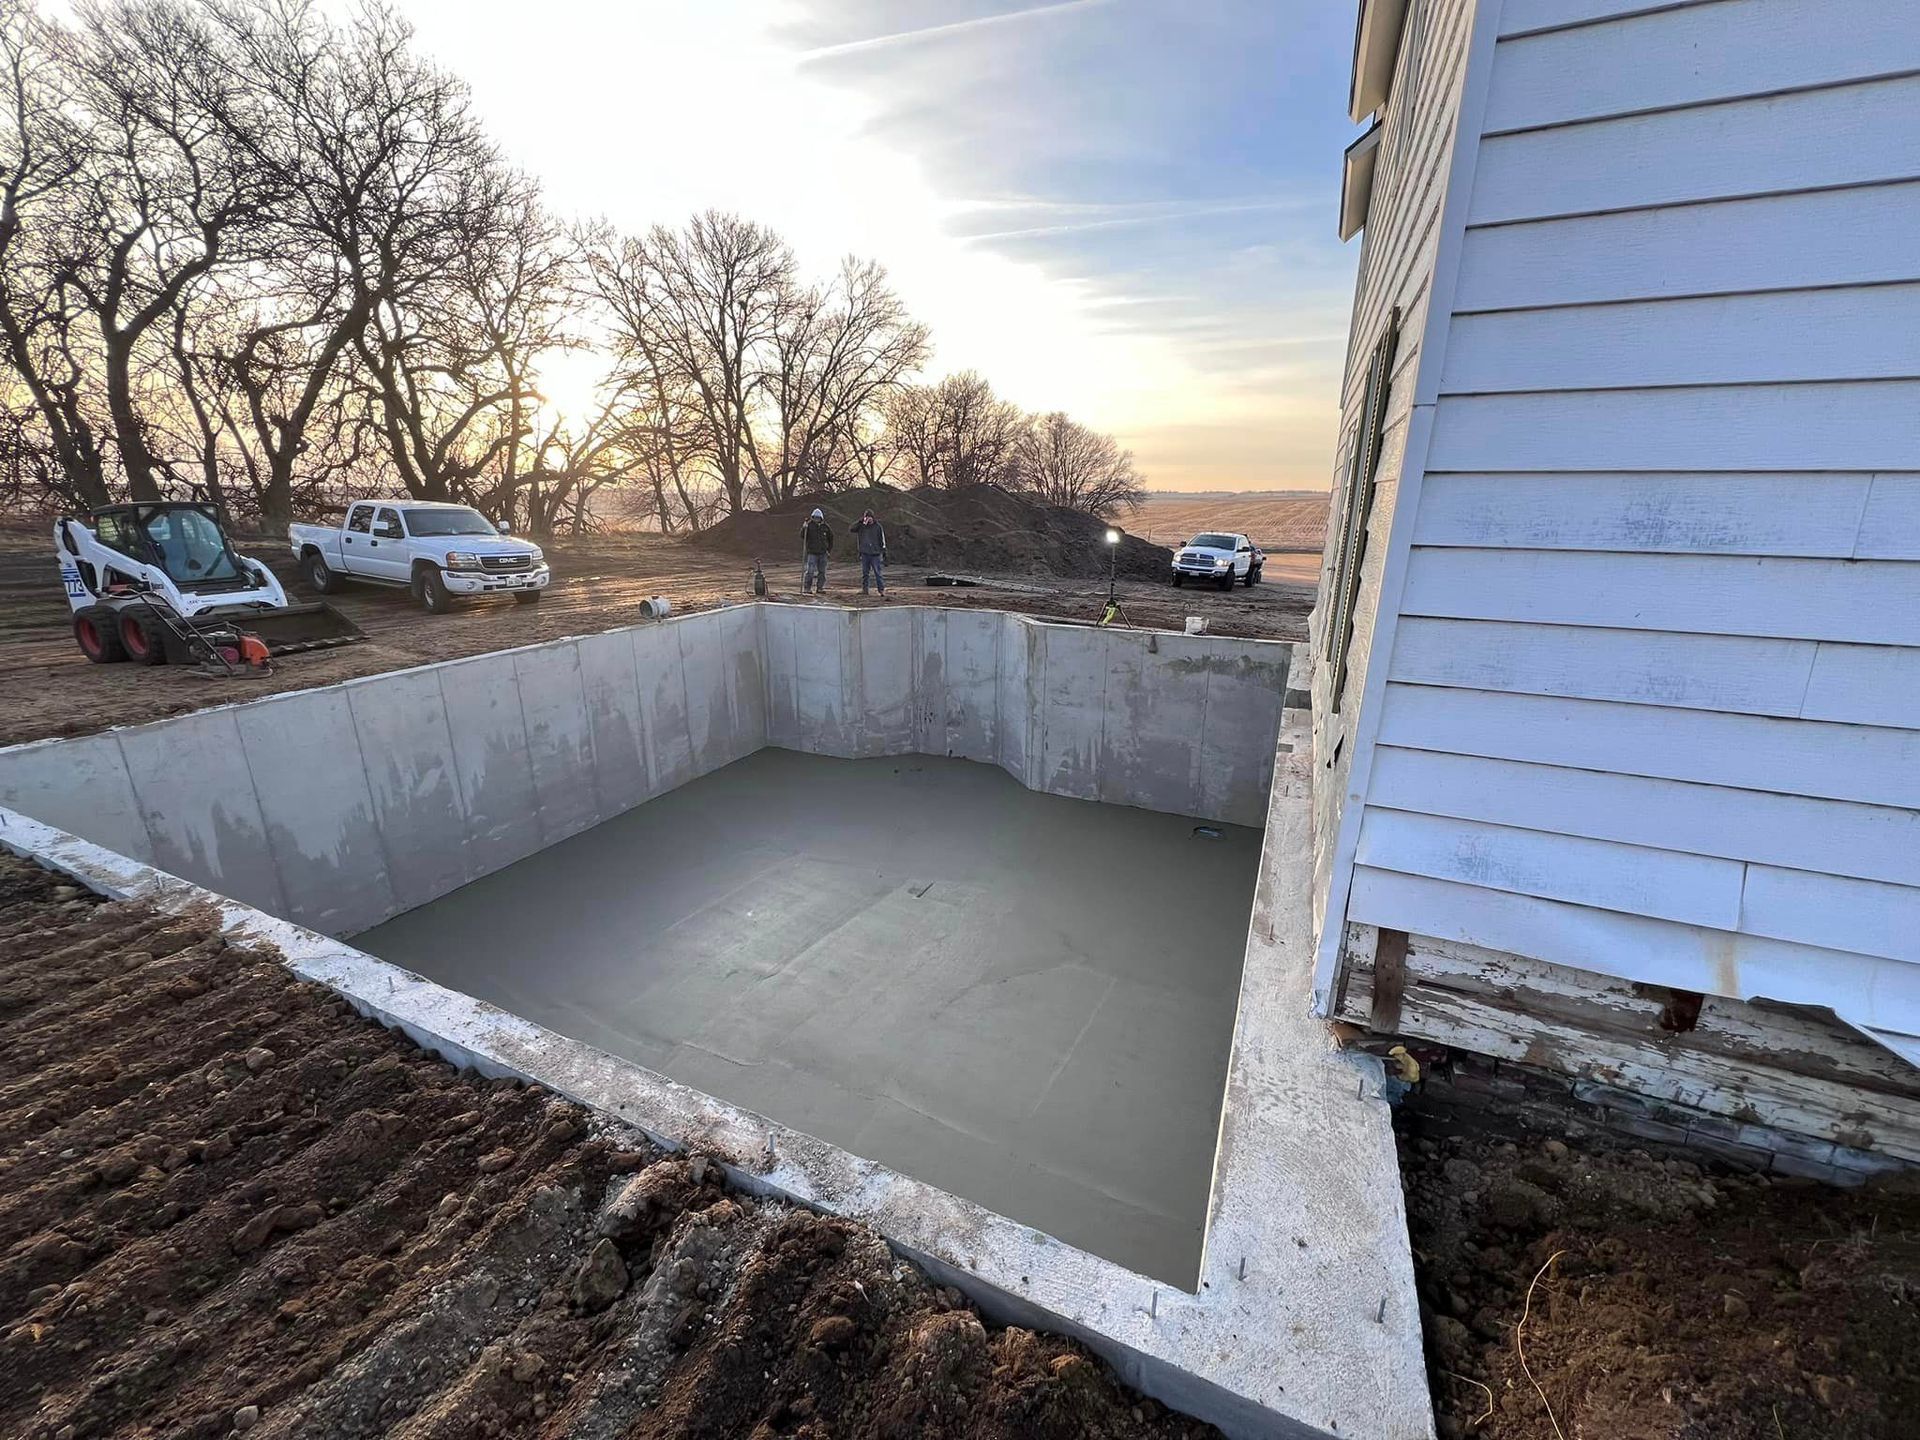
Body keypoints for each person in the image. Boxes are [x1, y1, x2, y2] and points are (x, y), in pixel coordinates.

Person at [853, 507, 888, 597]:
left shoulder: (878, 527)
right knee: (865, 573)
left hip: (875, 553)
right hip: (865, 553)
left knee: (878, 573)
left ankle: (881, 590)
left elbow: (882, 540)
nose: (868, 519)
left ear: (873, 517)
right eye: (866, 517)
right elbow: (852, 529)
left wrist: (884, 552)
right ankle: (865, 590)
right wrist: (861, 522)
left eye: (869, 517)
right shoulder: (861, 526)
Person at [801, 507, 832, 593]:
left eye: (818, 518)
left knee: (822, 572)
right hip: (812, 552)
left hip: (823, 553)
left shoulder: (826, 527)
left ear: (821, 518)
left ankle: (820, 588)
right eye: (815, 517)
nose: (816, 519)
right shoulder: (809, 525)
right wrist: (804, 528)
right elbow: (803, 536)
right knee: (810, 571)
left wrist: (828, 550)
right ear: (813, 517)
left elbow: (831, 539)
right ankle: (807, 588)